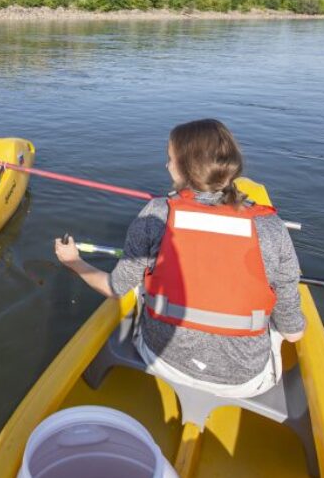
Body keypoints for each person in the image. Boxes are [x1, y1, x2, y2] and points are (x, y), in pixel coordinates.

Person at [54, 119, 305, 399]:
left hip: (162, 361)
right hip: (245, 381)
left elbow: (114, 289)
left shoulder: (155, 213)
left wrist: (74, 262)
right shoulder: (271, 226)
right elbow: (293, 333)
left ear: (187, 168)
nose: (166, 166)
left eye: (170, 159)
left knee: (140, 280)